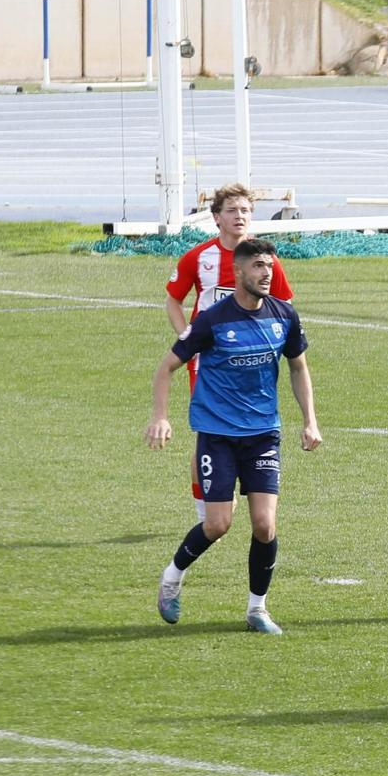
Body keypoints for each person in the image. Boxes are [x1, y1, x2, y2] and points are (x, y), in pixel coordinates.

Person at [146, 238, 321, 635]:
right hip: (218, 436)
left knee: (264, 525)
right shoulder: (212, 320)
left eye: (270, 266)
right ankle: (172, 577)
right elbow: (166, 368)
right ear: (239, 272)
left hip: (262, 435)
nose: (267, 273)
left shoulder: (284, 315)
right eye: (258, 266)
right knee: (217, 525)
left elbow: (298, 368)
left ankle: (257, 609)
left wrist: (309, 420)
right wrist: (161, 417)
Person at [164, 183, 294, 523]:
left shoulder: (266, 262)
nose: (240, 217)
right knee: (208, 431)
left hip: (251, 359)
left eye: (246, 211)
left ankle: (245, 491)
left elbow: (285, 305)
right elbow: (173, 300)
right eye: (233, 211)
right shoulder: (198, 257)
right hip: (208, 362)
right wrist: (188, 340)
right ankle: (205, 509)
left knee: (252, 424)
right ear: (217, 217)